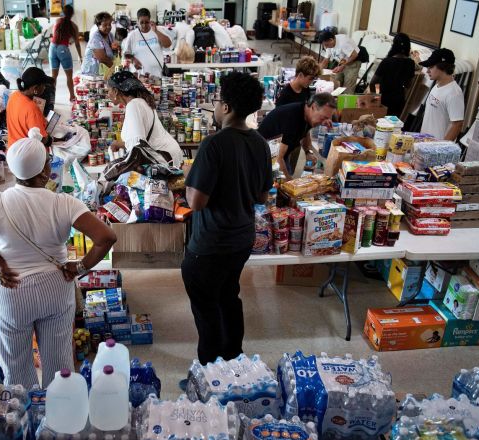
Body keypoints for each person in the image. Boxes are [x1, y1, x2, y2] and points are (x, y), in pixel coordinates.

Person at [0, 129, 116, 388]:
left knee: (15, 368)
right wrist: (79, 267)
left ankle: (24, 417)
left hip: (10, 288)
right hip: (55, 287)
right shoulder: (63, 203)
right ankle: (59, 418)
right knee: (60, 367)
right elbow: (106, 237)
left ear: (13, 170)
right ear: (44, 172)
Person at [181, 72, 272, 372]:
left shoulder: (214, 144)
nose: (217, 107)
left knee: (206, 309)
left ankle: (211, 375)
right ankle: (235, 366)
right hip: (241, 239)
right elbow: (261, 196)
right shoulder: (259, 143)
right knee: (229, 298)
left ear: (227, 107)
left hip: (210, 243)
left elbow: (196, 202)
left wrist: (187, 179)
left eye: (219, 101)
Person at [107, 71, 183, 167]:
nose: (108, 94)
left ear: (116, 91)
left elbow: (137, 146)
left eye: (108, 91)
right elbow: (140, 139)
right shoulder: (140, 102)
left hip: (164, 158)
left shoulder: (133, 105)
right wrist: (119, 144)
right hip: (168, 154)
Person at [258, 93, 336, 179]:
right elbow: (278, 159)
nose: (323, 122)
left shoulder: (307, 113)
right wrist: (289, 181)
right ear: (313, 107)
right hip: (265, 158)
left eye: (328, 118)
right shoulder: (292, 119)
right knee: (284, 185)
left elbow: (306, 132)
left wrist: (307, 152)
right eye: (323, 118)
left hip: (280, 154)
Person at [369, 33, 419, 117]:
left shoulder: (386, 61)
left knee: (379, 124)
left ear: (394, 46)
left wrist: (377, 94)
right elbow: (408, 85)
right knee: (392, 126)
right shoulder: (411, 63)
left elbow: (373, 83)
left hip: (383, 98)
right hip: (399, 100)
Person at [419, 48, 464, 141]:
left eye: (431, 67)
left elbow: (457, 125)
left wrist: (440, 148)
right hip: (425, 143)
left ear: (443, 67)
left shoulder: (454, 93)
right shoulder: (436, 86)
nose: (427, 71)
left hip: (436, 149)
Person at [6, 67, 54, 147]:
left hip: (12, 147)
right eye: (43, 85)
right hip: (26, 152)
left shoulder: (14, 96)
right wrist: (50, 140)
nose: (45, 87)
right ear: (35, 88)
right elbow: (41, 139)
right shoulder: (32, 108)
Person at [123, 8, 172, 78]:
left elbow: (168, 44)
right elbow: (126, 54)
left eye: (146, 22)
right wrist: (133, 59)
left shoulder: (158, 30)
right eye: (141, 22)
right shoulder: (132, 35)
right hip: (139, 76)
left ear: (150, 20)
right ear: (137, 22)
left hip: (157, 75)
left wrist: (156, 31)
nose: (144, 25)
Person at [50, 4, 82, 103]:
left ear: (63, 12)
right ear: (72, 14)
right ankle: (72, 96)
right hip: (63, 49)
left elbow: (54, 35)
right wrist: (80, 57)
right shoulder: (73, 26)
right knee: (69, 76)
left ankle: (51, 99)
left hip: (52, 48)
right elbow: (77, 43)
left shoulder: (57, 21)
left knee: (53, 77)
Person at [81, 12, 115, 76]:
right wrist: (116, 69)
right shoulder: (95, 37)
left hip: (103, 72)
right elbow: (102, 58)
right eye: (105, 25)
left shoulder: (110, 35)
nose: (108, 27)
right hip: (92, 73)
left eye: (109, 24)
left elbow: (114, 50)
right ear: (98, 26)